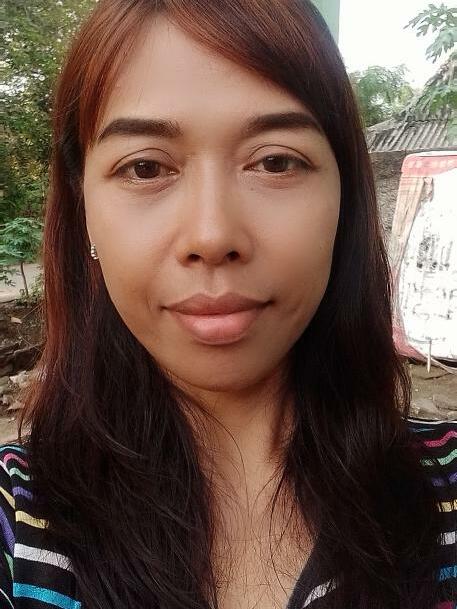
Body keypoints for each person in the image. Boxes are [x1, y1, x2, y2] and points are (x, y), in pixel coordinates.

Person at [0, 0, 455, 607]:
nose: (212, 236)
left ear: (344, 200)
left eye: (275, 161)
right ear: (84, 210)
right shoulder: (16, 522)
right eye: (145, 168)